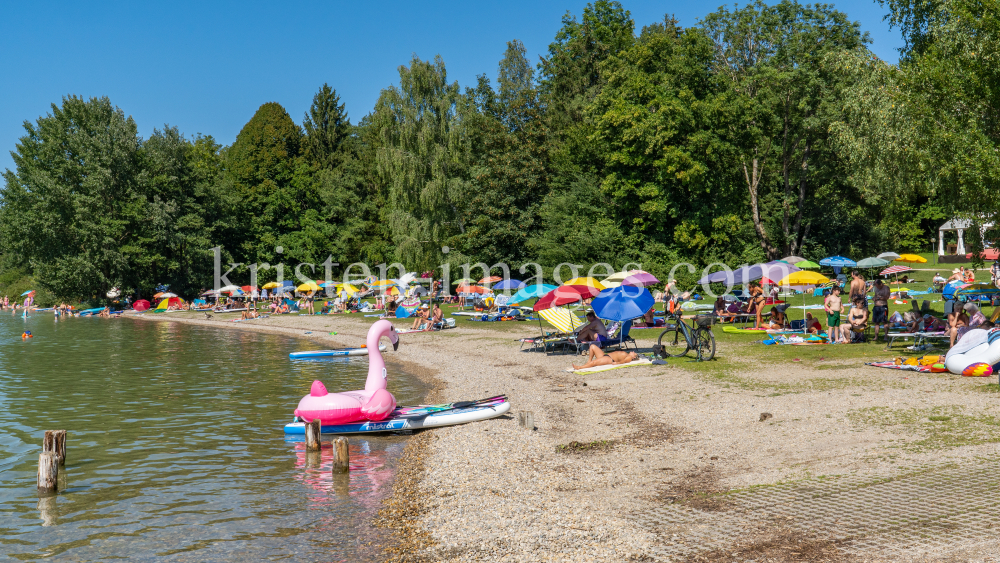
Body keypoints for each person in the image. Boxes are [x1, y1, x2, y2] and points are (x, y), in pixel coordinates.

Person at [572, 345, 639, 370]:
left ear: (633, 357)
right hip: (606, 355)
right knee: (592, 346)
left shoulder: (629, 357)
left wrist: (617, 363)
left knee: (594, 362)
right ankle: (589, 361)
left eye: (634, 352)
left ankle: (579, 367)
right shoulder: (627, 354)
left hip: (610, 359)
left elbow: (624, 361)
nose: (633, 351)